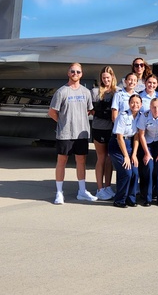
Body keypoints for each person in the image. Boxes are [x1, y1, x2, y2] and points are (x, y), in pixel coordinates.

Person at [48, 63, 97, 204]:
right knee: (61, 162)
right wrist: (63, 122)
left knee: (81, 161)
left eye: (78, 72)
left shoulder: (86, 92)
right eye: (73, 71)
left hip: (81, 134)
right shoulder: (62, 92)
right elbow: (52, 112)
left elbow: (89, 110)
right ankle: (59, 192)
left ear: (81, 74)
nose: (75, 73)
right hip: (65, 134)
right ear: (68, 73)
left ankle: (82, 191)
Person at [110, 93, 143, 207]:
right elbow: (119, 137)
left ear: (141, 104)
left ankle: (131, 198)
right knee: (127, 172)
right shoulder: (123, 115)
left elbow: (137, 137)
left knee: (135, 172)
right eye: (132, 102)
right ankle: (119, 200)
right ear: (129, 104)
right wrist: (126, 156)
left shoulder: (140, 116)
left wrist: (133, 155)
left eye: (137, 103)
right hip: (118, 146)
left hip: (130, 145)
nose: (135, 105)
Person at [90, 66, 118, 201]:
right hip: (99, 128)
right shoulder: (95, 92)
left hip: (112, 129)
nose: (106, 80)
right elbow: (91, 110)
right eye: (103, 78)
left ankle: (107, 186)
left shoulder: (117, 92)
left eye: (108, 77)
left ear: (112, 77)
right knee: (101, 157)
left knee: (109, 158)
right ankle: (100, 188)